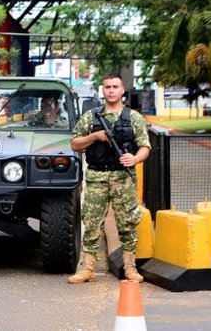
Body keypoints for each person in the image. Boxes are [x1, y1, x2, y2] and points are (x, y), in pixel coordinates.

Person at [67, 73, 151, 284]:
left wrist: (135, 159)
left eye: (115, 87)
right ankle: (88, 269)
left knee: (127, 223)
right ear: (102, 90)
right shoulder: (91, 117)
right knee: (92, 222)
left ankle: (130, 268)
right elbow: (75, 144)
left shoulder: (134, 118)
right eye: (107, 87)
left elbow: (145, 147)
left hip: (123, 178)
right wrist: (95, 136)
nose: (111, 90)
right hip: (96, 177)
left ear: (123, 91)